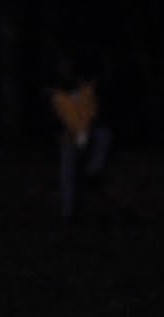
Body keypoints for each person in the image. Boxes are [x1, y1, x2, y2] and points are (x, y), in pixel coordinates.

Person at [49, 56, 112, 221]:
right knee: (67, 172)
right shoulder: (56, 90)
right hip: (69, 135)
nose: (65, 69)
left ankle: (92, 172)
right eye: (62, 66)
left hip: (87, 131)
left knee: (104, 135)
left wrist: (86, 130)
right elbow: (60, 116)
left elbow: (92, 110)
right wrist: (71, 131)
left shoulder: (86, 85)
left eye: (68, 66)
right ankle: (68, 213)